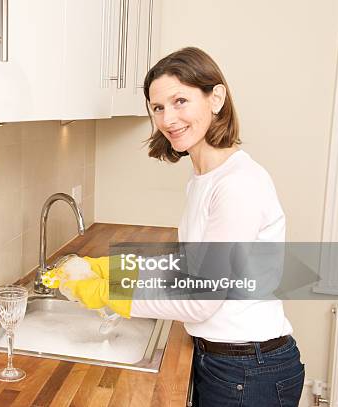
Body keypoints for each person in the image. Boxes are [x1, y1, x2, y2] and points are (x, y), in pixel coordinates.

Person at [63, 47, 305, 406]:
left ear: (216, 98)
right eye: (158, 107)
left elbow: (200, 299)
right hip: (229, 363)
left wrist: (105, 292)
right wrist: (110, 268)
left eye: (180, 101)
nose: (168, 118)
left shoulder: (237, 184)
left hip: (248, 371)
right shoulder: (203, 177)